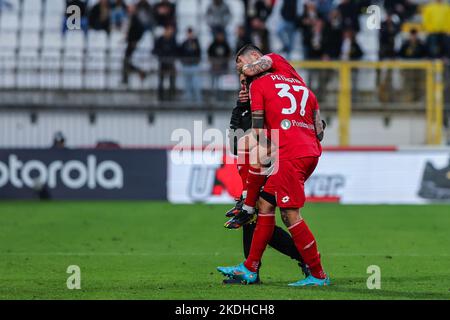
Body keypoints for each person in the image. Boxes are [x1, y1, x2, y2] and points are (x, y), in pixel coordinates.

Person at [218, 45, 329, 287]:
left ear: (256, 59)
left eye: (241, 65)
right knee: (264, 205)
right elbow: (320, 130)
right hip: (303, 151)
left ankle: (317, 273)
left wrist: (271, 148)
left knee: (288, 214)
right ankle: (250, 268)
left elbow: (255, 138)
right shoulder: (302, 88)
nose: (241, 72)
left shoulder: (263, 80)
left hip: (289, 156)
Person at [222, 74, 309, 285]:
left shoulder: (272, 98)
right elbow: (235, 145)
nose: (244, 86)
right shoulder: (242, 108)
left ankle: (255, 269)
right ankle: (255, 268)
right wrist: (242, 108)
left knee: (262, 215)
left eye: (247, 82)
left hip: (275, 166)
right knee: (257, 219)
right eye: (241, 82)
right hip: (254, 172)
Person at [121, 1, 154, 85]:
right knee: (126, 61)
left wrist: (134, 40)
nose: (129, 9)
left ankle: (134, 75)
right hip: (130, 42)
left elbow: (140, 30)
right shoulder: (132, 17)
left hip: (133, 42)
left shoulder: (136, 18)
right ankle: (139, 72)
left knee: (127, 60)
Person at [398, 29, 427, 102]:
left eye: (414, 35)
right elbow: (400, 55)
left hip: (418, 68)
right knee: (408, 84)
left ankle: (418, 100)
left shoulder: (420, 44)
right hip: (408, 68)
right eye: (412, 35)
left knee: (418, 85)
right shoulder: (405, 44)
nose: (413, 37)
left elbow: (425, 54)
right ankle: (408, 100)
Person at [153, 24, 178, 100]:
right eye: (168, 30)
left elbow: (176, 50)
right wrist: (161, 55)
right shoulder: (160, 39)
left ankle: (172, 97)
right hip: (163, 63)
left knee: (172, 80)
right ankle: (161, 97)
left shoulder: (173, 40)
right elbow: (155, 50)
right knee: (161, 81)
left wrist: (172, 56)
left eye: (171, 30)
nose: (169, 32)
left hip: (171, 63)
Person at [179, 28, 202, 102]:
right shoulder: (184, 43)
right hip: (186, 66)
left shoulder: (196, 42)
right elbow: (181, 53)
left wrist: (197, 62)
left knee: (196, 85)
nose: (190, 34)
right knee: (187, 85)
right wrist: (183, 62)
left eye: (191, 33)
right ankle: (188, 102)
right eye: (188, 33)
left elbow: (198, 53)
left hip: (194, 66)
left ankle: (198, 102)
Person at [208, 31, 232, 99]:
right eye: (219, 35)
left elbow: (229, 55)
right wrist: (214, 63)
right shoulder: (213, 44)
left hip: (223, 67)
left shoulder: (225, 44)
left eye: (221, 35)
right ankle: (213, 96)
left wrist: (223, 63)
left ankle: (223, 97)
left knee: (223, 84)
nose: (220, 37)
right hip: (214, 67)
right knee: (214, 84)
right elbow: (209, 55)